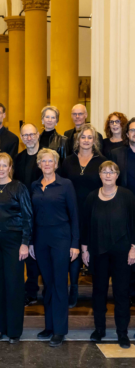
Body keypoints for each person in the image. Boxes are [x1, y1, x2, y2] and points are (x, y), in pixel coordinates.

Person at [82, 161, 135, 349]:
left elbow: (134, 223)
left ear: (117, 175)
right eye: (104, 172)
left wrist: (134, 248)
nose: (108, 175)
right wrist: (84, 249)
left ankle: (122, 333)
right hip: (98, 251)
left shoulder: (127, 196)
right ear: (100, 175)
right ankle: (99, 329)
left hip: (122, 252)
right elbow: (85, 224)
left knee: (121, 293)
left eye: (111, 172)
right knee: (99, 292)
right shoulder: (91, 197)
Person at [30, 148, 80, 347]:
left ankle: (59, 330)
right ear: (39, 164)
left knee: (59, 283)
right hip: (40, 238)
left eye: (50, 161)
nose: (47, 164)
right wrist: (31, 241)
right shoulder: (34, 185)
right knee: (48, 283)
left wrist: (75, 243)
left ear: (56, 164)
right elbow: (31, 216)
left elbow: (74, 214)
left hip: (61, 237)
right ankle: (49, 326)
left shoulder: (66, 185)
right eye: (43, 161)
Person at [0, 153, 32, 343]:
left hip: (13, 240)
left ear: (10, 168)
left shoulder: (19, 187)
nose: (1, 169)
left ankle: (14, 330)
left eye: (5, 165)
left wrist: (25, 242)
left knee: (13, 284)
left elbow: (28, 216)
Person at [61, 124, 106, 308]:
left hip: (95, 212)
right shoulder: (68, 161)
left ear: (94, 141)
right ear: (77, 140)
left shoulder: (101, 161)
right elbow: (62, 185)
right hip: (71, 212)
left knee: (94, 252)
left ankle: (98, 292)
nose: (86, 140)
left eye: (90, 137)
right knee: (73, 250)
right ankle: (73, 288)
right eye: (83, 137)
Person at [13, 124, 42, 307]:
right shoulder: (19, 158)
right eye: (25, 135)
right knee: (27, 252)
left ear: (38, 135)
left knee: (40, 251)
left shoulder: (46, 156)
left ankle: (44, 289)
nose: (29, 138)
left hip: (43, 210)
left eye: (32, 134)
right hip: (23, 210)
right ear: (22, 138)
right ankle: (30, 291)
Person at [111, 117, 135, 305]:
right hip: (124, 209)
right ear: (127, 134)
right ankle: (130, 292)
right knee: (126, 253)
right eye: (132, 130)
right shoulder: (116, 154)